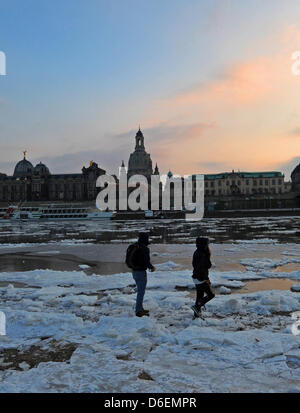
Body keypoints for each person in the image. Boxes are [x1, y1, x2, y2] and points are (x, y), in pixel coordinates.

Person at [130, 233, 155, 317]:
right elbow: (146, 261)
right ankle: (138, 311)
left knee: (140, 291)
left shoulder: (136, 246)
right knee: (141, 292)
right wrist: (151, 267)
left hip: (134, 271)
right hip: (140, 273)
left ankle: (140, 308)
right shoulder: (144, 248)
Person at [191, 237, 215, 317]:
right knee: (211, 295)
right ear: (204, 245)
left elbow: (195, 265)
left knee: (200, 296)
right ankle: (197, 306)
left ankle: (196, 314)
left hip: (196, 277)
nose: (208, 245)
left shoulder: (197, 252)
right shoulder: (203, 254)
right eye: (207, 244)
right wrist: (206, 279)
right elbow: (202, 268)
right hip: (201, 278)